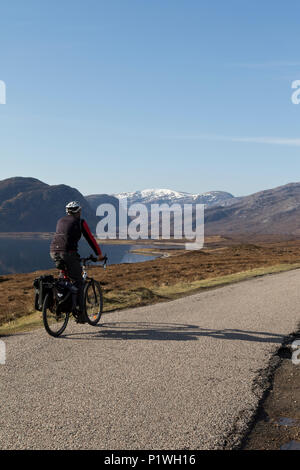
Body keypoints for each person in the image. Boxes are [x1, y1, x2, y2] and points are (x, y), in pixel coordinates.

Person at [50, 201, 105, 323]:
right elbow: (90, 238)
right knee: (79, 282)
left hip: (54, 252)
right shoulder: (80, 222)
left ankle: (58, 307)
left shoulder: (60, 221)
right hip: (68, 253)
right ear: (78, 212)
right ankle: (82, 315)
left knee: (62, 281)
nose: (81, 213)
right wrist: (99, 254)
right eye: (80, 211)